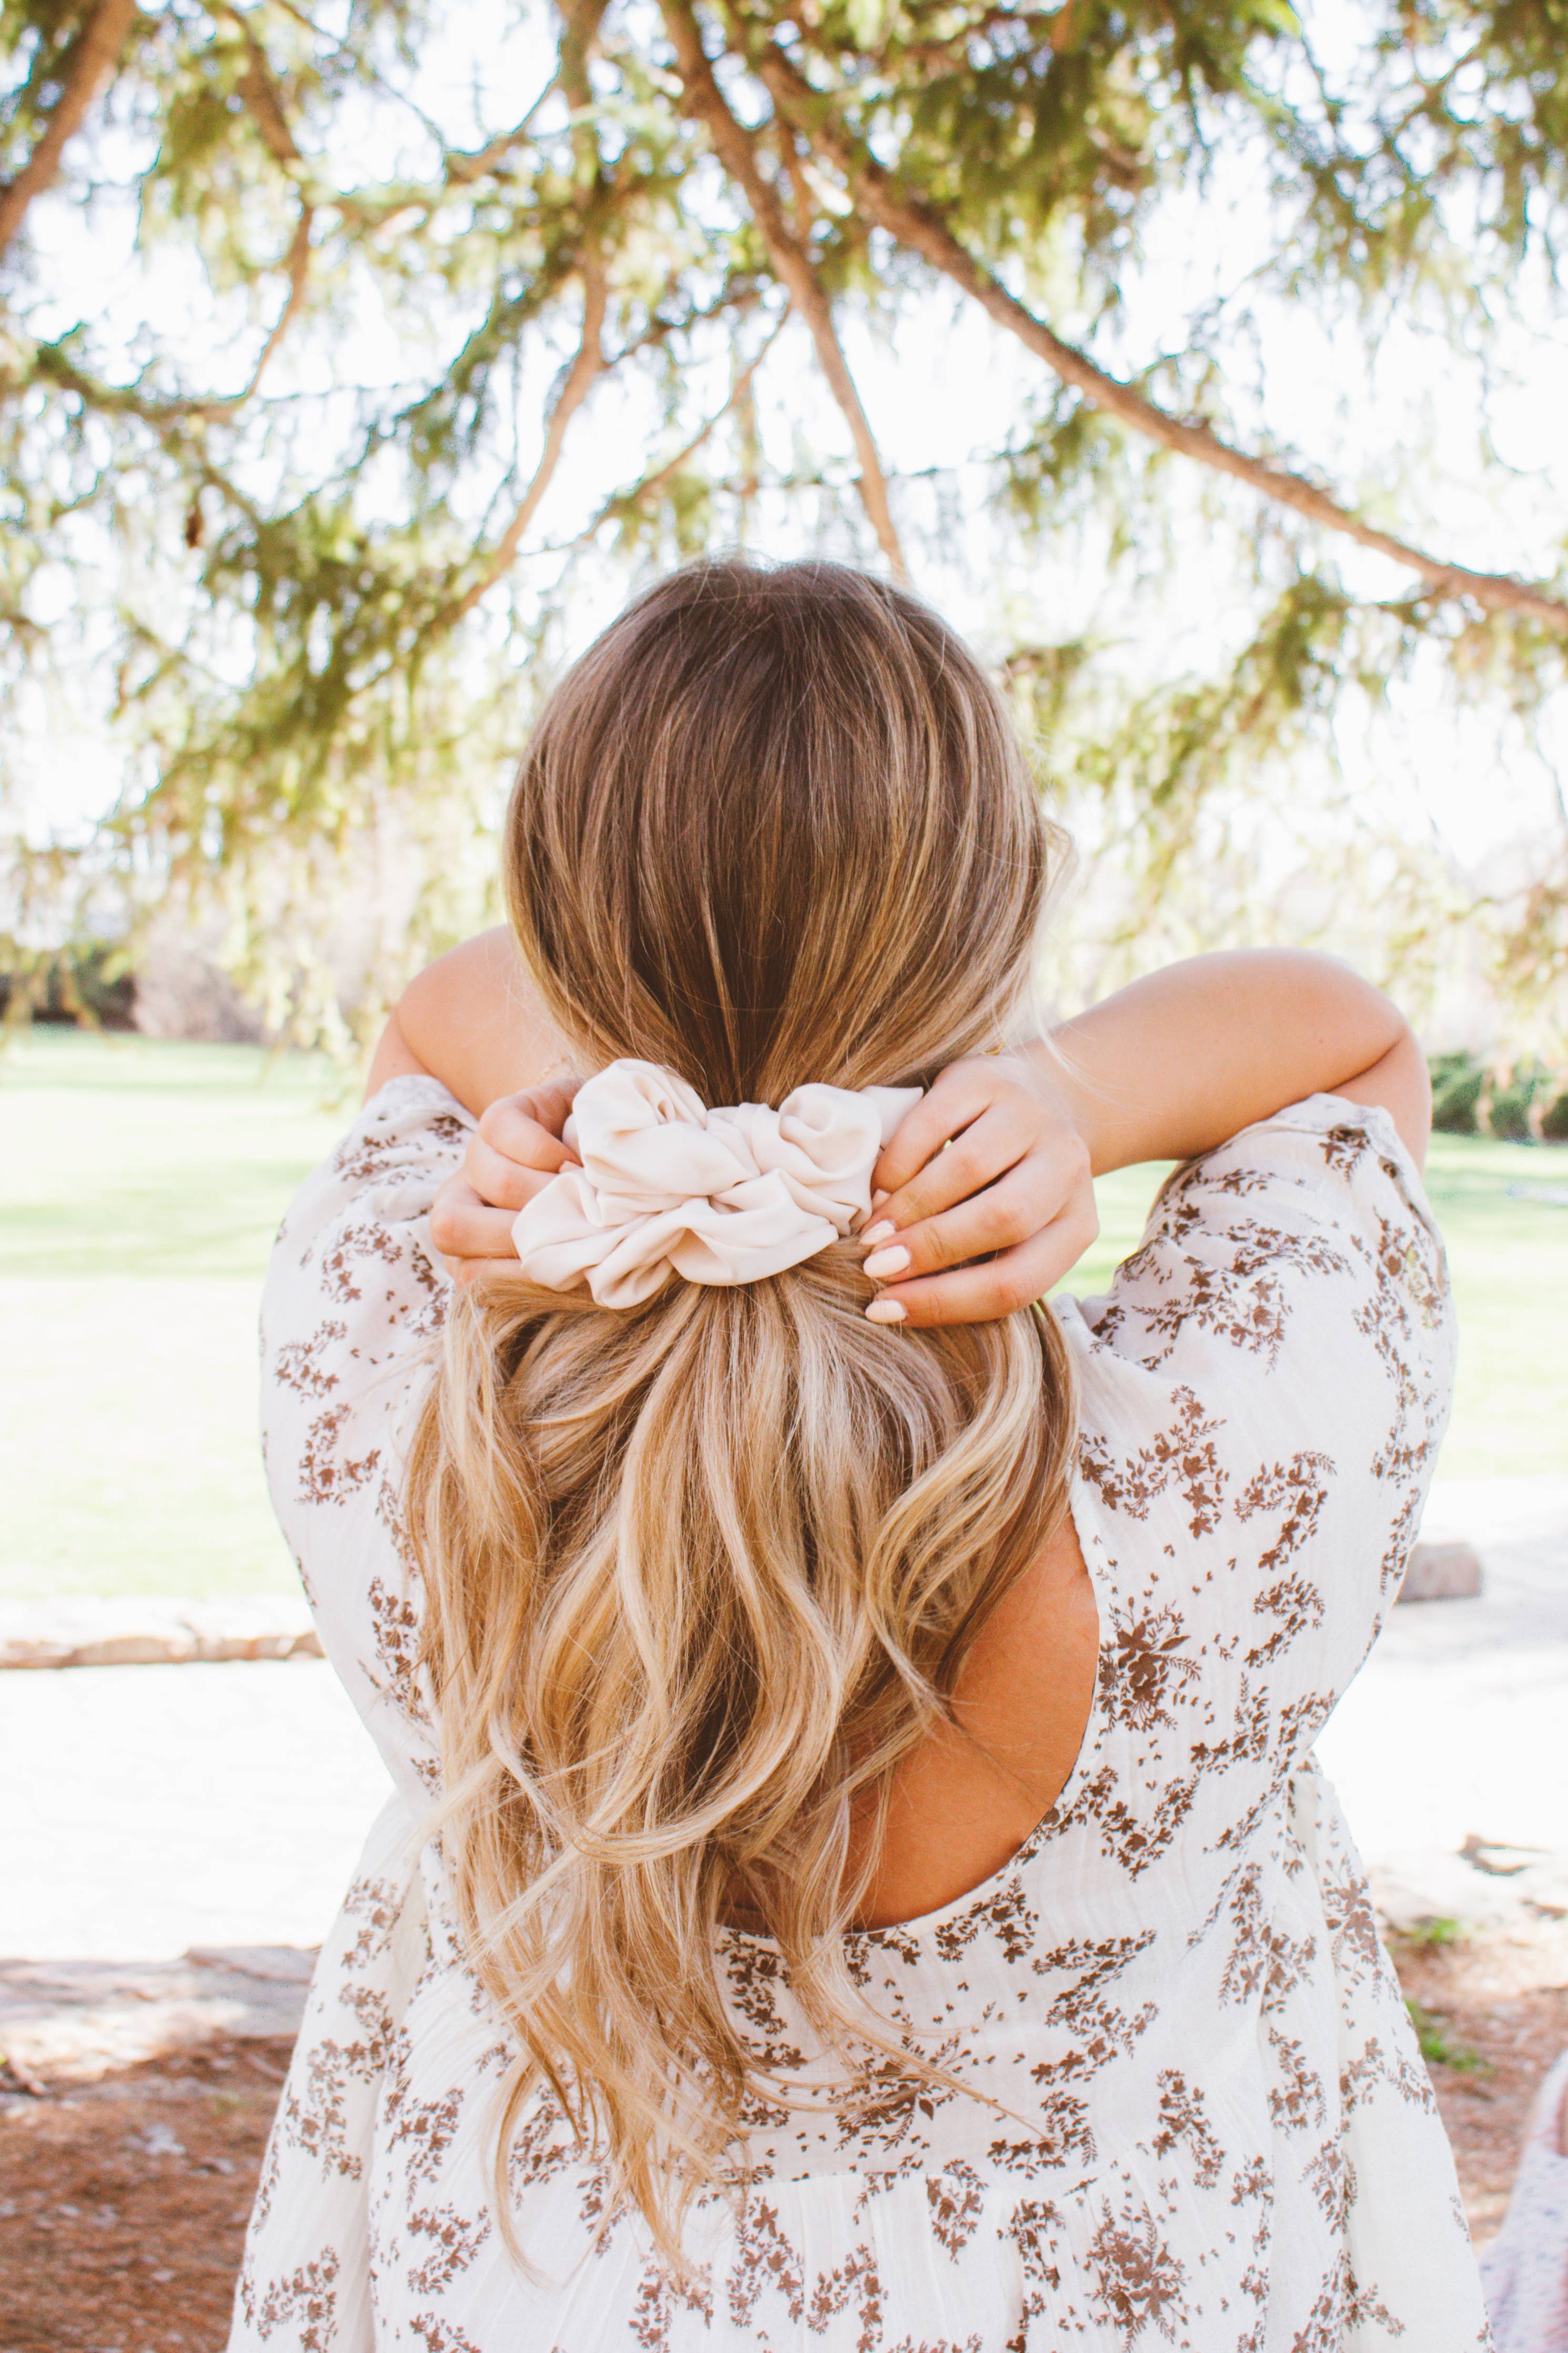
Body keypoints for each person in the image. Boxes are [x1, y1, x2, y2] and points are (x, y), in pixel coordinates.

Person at [231, 557, 1492, 2350]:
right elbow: (1345, 1043)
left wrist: (613, 1129)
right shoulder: (1228, 1467)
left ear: (560, 920)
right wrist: (1066, 1094)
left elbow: (443, 1012)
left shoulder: (390, 1392)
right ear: (1010, 920)